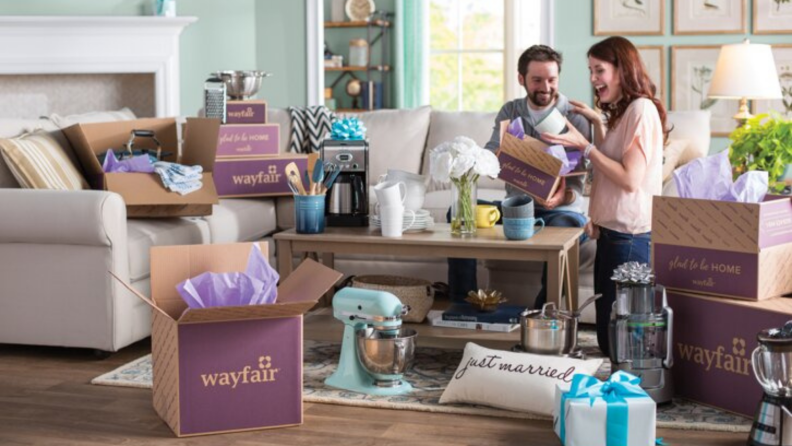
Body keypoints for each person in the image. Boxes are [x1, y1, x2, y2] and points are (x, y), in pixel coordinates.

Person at [540, 36, 667, 356]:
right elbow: (610, 157)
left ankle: (626, 393)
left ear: (622, 69)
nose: (593, 78)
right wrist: (597, 123)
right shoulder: (625, 113)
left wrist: (584, 146)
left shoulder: (641, 110)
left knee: (618, 342)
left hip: (629, 235)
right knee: (607, 336)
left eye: (600, 70)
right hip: (613, 232)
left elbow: (629, 178)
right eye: (590, 71)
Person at [447, 45, 592, 308]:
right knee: (459, 212)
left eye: (552, 79)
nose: (545, 87)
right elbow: (490, 153)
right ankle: (463, 304)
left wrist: (561, 197)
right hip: (516, 209)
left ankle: (541, 312)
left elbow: (578, 183)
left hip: (559, 211)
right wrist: (488, 157)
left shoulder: (575, 117)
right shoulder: (511, 111)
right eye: (537, 80)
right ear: (521, 79)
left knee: (567, 228)